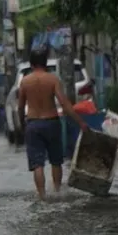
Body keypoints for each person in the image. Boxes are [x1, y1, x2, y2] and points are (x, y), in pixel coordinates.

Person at [18, 47, 88, 200]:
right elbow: (64, 104)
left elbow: (20, 106)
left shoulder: (25, 81)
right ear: (45, 63)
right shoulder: (52, 80)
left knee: (37, 164)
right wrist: (80, 122)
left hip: (33, 124)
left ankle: (42, 196)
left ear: (31, 63)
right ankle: (57, 192)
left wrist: (21, 124)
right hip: (52, 122)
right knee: (56, 160)